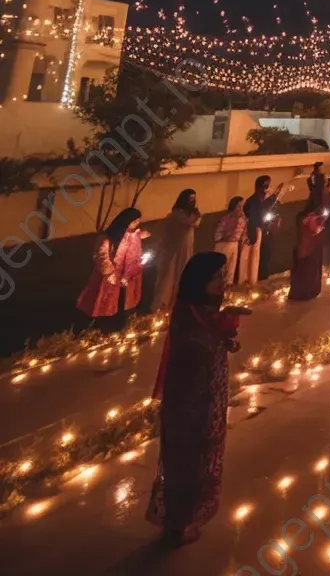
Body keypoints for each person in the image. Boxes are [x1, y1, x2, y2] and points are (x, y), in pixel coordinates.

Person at [147, 252, 250, 544]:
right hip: (189, 403)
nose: (222, 283)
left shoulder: (206, 309)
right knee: (185, 463)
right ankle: (179, 525)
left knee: (202, 459)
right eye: (216, 277)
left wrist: (226, 331)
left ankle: (186, 518)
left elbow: (213, 340)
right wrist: (219, 329)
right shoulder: (187, 314)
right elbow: (193, 351)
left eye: (223, 276)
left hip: (209, 398)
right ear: (199, 280)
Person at [76, 208, 150, 331]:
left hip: (126, 276)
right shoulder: (109, 239)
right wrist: (110, 274)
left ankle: (119, 325)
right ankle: (97, 328)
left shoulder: (132, 235)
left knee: (122, 302)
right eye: (135, 221)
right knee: (103, 303)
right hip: (109, 277)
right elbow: (102, 256)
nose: (137, 224)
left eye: (138, 222)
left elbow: (133, 244)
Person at [153, 189, 201, 311]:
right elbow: (186, 222)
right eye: (190, 198)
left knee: (185, 268)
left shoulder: (193, 212)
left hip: (188, 242)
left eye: (194, 198)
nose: (192, 201)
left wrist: (195, 217)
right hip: (177, 244)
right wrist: (193, 217)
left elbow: (195, 224)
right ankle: (166, 301)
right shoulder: (177, 212)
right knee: (173, 270)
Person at [242, 175, 283, 282]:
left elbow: (274, 211)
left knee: (265, 256)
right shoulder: (251, 201)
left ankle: (263, 278)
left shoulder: (270, 200)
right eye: (265, 185)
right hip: (254, 233)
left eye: (268, 184)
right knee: (253, 259)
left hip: (267, 233)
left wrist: (275, 220)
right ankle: (253, 280)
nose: (267, 187)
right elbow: (248, 217)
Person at [289, 206, 325, 301]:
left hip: (309, 248)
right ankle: (305, 291)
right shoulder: (305, 232)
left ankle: (309, 290)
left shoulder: (312, 237)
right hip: (305, 249)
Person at [212, 196, 246, 284]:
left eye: (242, 206)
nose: (241, 208)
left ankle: (228, 288)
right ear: (233, 206)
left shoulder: (242, 219)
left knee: (231, 269)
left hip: (234, 244)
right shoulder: (227, 218)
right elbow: (222, 234)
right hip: (224, 244)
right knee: (223, 269)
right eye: (239, 206)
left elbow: (242, 232)